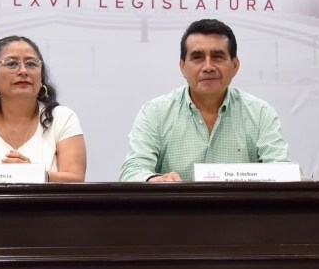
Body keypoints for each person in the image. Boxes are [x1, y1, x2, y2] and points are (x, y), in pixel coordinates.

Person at [120, 18, 292, 182]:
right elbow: (133, 170)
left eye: (218, 56)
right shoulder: (155, 112)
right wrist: (154, 180)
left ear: (235, 66)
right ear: (183, 67)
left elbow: (283, 170)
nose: (208, 67)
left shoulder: (260, 113)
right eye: (198, 57)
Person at [0, 35, 86, 182]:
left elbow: (76, 180)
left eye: (31, 64)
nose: (23, 71)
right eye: (12, 63)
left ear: (41, 76)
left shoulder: (62, 118)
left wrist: (36, 174)